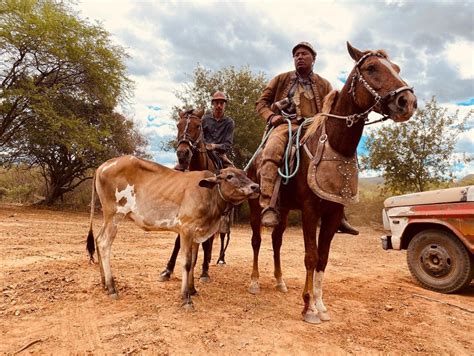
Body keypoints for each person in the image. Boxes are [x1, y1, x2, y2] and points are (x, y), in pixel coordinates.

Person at [255, 41, 359, 235]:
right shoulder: (281, 79)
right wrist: (271, 116)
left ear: (314, 58)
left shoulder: (324, 83)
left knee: (340, 157)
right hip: (287, 125)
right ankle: (268, 205)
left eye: (304, 54)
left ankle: (340, 214)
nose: (299, 57)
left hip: (316, 128)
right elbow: (262, 102)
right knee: (270, 151)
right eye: (296, 55)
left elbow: (334, 108)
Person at [202, 91, 235, 168]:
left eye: (221, 103)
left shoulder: (229, 122)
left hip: (220, 155)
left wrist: (214, 146)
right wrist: (205, 145)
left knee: (234, 174)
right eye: (216, 103)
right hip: (203, 152)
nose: (219, 106)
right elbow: (200, 137)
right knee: (181, 168)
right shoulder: (205, 119)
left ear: (225, 105)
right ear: (213, 104)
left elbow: (227, 145)